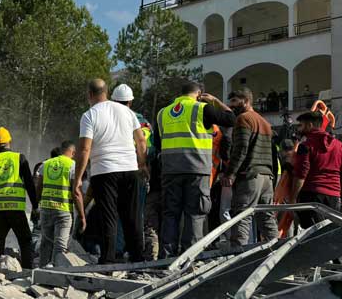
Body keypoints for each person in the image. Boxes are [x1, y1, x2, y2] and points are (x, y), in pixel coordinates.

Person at [155, 81, 235, 258]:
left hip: (170, 170)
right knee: (195, 213)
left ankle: (166, 256)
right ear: (199, 94)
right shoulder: (202, 109)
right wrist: (214, 100)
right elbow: (231, 119)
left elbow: (159, 144)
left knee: (170, 214)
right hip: (196, 169)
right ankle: (189, 257)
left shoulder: (163, 113)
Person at [74, 79, 147, 263]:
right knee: (133, 217)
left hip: (104, 172)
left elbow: (84, 149)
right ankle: (138, 259)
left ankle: (108, 261)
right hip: (130, 170)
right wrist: (142, 164)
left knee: (109, 217)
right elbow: (141, 141)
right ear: (106, 92)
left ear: (90, 94)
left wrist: (78, 179)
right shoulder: (128, 112)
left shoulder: (89, 115)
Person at [221, 88, 279, 248]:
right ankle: (278, 254)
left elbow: (240, 149)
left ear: (245, 101)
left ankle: (238, 258)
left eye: (234, 101)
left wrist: (230, 173)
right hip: (266, 177)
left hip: (250, 177)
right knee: (267, 218)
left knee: (241, 217)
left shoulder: (243, 119)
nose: (231, 105)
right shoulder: (265, 123)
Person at [110, 83, 156, 259]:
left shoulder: (106, 118)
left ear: (114, 100)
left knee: (114, 212)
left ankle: (116, 249)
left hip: (112, 172)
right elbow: (148, 148)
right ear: (130, 102)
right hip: (136, 172)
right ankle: (136, 250)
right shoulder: (141, 121)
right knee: (136, 213)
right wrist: (143, 165)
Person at [0, 127, 39, 268]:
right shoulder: (19, 158)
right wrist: (35, 206)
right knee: (25, 240)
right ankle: (27, 270)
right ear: (10, 141)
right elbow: (29, 184)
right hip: (15, 208)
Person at [293, 111, 342, 228]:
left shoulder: (305, 145)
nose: (299, 129)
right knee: (329, 235)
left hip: (311, 197)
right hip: (334, 198)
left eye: (301, 125)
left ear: (310, 125)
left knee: (311, 236)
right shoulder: (340, 146)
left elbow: (301, 174)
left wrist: (293, 198)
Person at [37, 141, 81, 267]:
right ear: (73, 152)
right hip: (63, 210)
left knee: (46, 242)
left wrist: (38, 203)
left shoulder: (46, 164)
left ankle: (41, 270)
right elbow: (76, 192)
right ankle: (57, 271)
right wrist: (82, 215)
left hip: (46, 208)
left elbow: (38, 186)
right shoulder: (72, 165)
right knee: (61, 245)